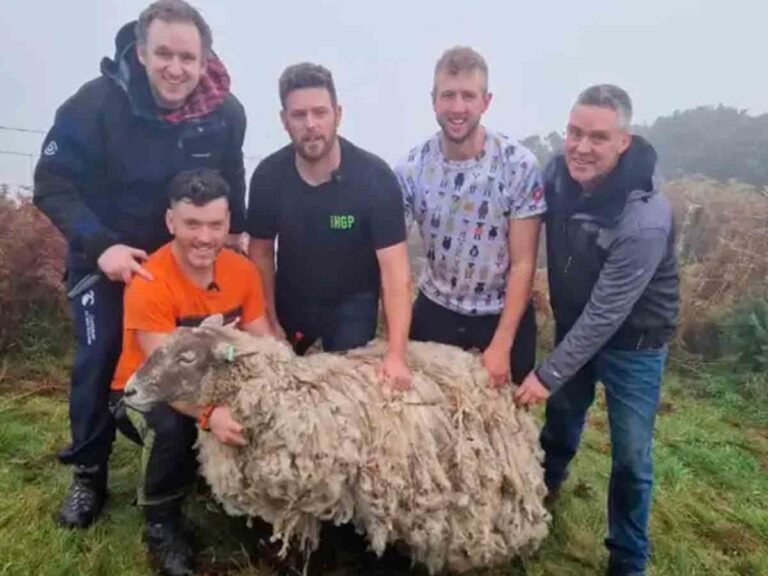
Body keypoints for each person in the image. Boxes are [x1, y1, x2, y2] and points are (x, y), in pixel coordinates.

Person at [33, 0, 248, 529]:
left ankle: (196, 455)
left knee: (210, 354)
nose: (176, 69)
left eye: (188, 57)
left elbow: (231, 178)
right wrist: (100, 245)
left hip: (185, 261)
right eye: (164, 54)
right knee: (101, 351)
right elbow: (51, 182)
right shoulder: (95, 104)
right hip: (110, 254)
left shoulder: (226, 113)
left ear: (206, 59)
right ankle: (88, 473)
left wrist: (234, 237)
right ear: (141, 51)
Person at [514, 85, 679, 576]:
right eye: (574, 132)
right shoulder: (556, 176)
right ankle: (541, 498)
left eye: (598, 138)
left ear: (623, 142)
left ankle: (628, 559)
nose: (581, 147)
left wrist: (547, 373)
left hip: (636, 342)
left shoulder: (644, 216)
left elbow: (607, 315)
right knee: (561, 424)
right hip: (573, 322)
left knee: (630, 456)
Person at [112, 168, 271, 575]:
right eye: (192, 224)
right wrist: (208, 415)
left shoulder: (242, 271)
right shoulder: (151, 280)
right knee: (171, 429)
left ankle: (248, 503)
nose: (205, 237)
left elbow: (263, 341)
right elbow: (165, 378)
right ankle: (160, 524)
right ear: (171, 222)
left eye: (216, 225)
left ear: (229, 222)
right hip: (144, 390)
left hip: (212, 383)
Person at [247, 63, 412, 388]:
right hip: (291, 300)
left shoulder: (375, 179)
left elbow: (396, 272)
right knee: (275, 389)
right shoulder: (268, 177)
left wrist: (396, 354)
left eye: (320, 113)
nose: (311, 125)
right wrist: (269, 322)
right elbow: (261, 254)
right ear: (284, 120)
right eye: (299, 115)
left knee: (344, 394)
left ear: (337, 113)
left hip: (352, 304)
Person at [394, 46, 545, 387]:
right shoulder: (410, 169)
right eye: (448, 95)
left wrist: (501, 345)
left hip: (501, 313)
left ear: (486, 101)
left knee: (504, 426)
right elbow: (394, 259)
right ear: (434, 100)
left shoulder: (519, 165)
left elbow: (524, 263)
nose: (457, 107)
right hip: (437, 311)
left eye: (468, 96)